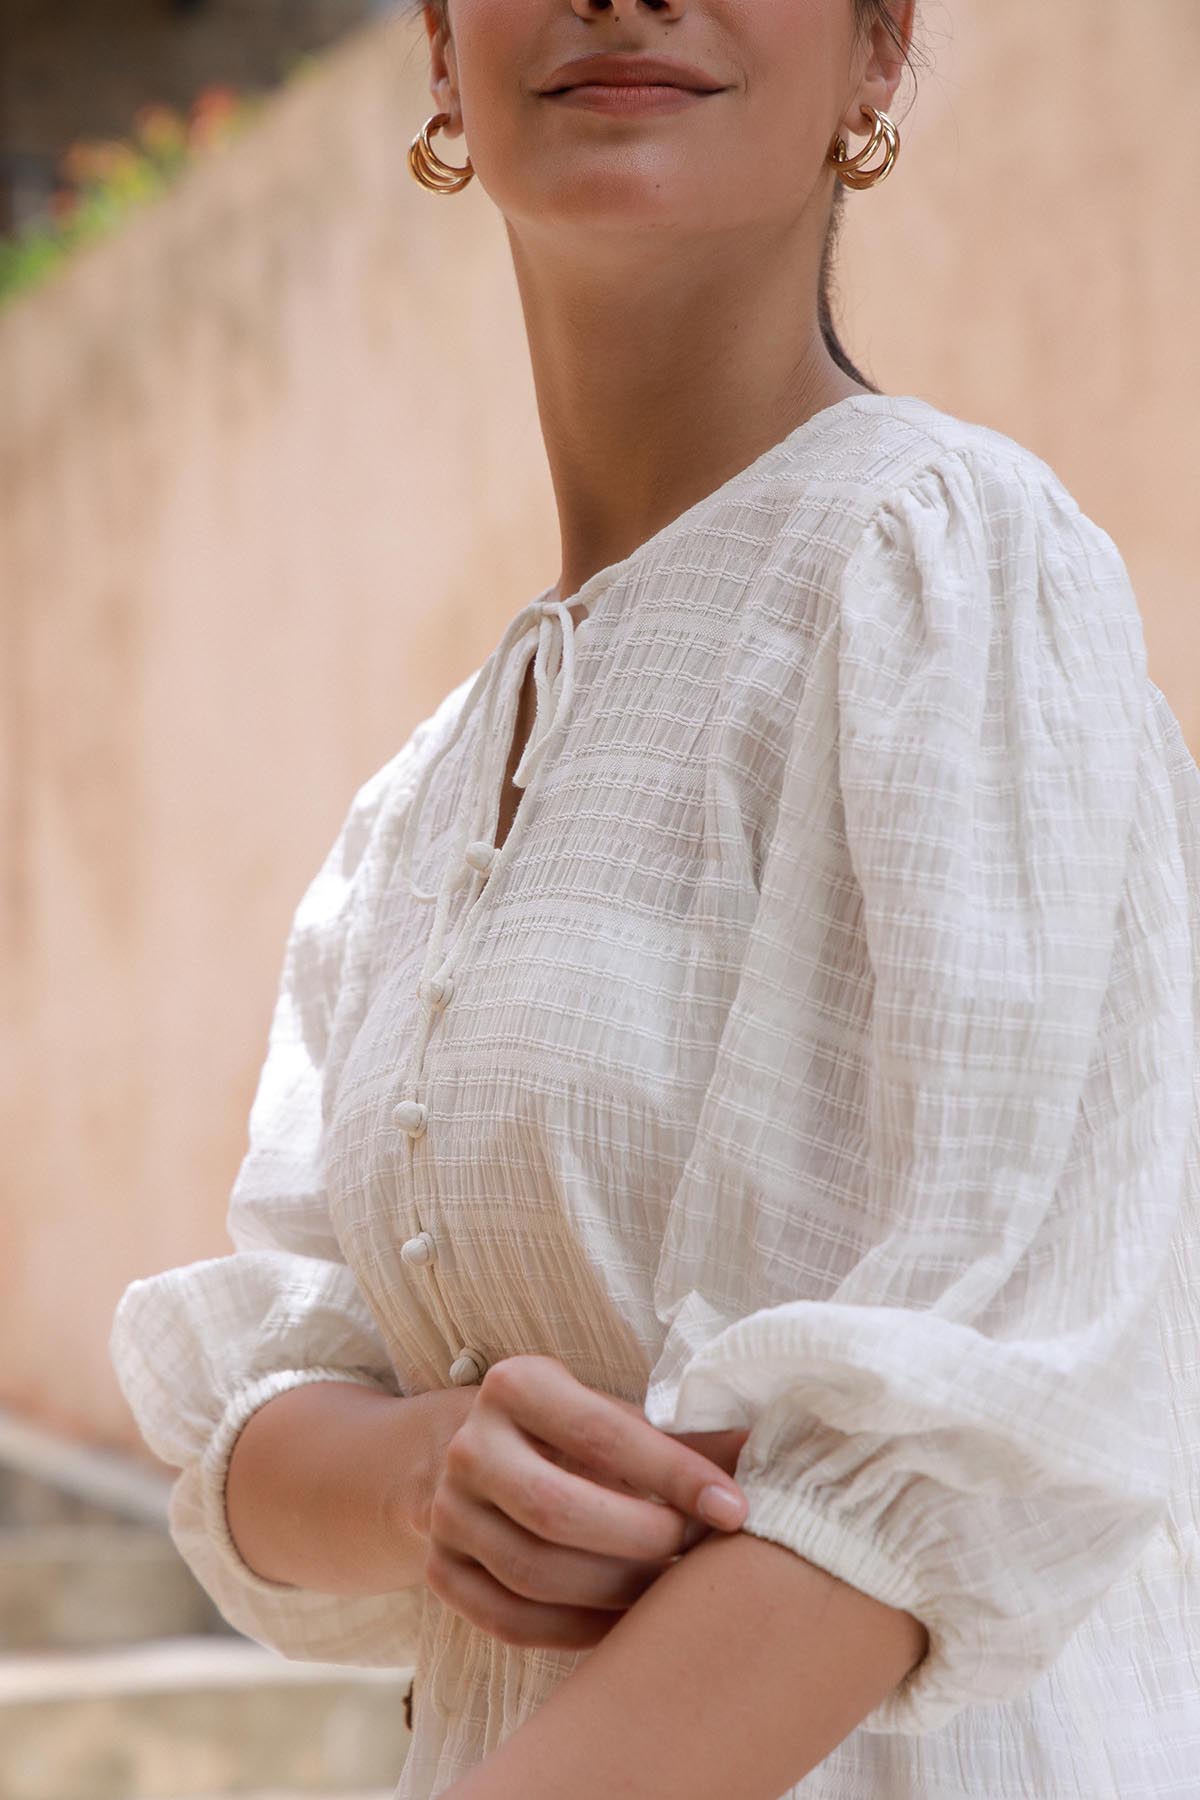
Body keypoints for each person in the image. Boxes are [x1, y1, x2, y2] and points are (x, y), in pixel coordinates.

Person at [109, 2, 1200, 1796]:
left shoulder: (948, 564)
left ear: (877, 50)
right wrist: (425, 1470)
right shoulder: (428, 795)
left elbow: (952, 1445)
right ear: (442, 50)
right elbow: (258, 1428)